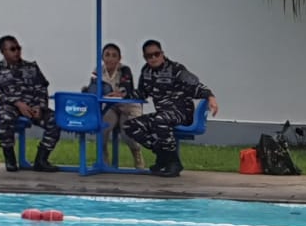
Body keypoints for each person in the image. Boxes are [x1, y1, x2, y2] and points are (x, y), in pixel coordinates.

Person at [125, 40, 219, 177]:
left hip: (182, 112)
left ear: (162, 53)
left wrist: (210, 97)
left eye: (156, 54)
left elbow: (196, 86)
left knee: (160, 120)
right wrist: (123, 94)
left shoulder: (176, 69)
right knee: (130, 125)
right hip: (163, 114)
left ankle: (173, 162)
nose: (153, 58)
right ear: (144, 57)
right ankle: (163, 155)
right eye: (149, 56)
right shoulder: (146, 71)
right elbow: (142, 92)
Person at [0, 35, 59, 173]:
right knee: (5, 117)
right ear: (3, 51)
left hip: (32, 107)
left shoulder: (31, 68)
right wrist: (17, 103)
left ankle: (41, 160)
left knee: (55, 120)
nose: (17, 52)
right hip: (11, 106)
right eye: (12, 49)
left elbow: (42, 88)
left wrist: (40, 106)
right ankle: (10, 158)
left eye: (18, 48)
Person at [84, 43, 143, 171]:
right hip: (111, 107)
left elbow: (126, 87)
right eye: (107, 55)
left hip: (128, 107)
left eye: (114, 55)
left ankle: (136, 152)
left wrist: (120, 93)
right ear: (102, 57)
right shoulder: (97, 70)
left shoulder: (125, 70)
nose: (110, 58)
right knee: (103, 128)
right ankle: (104, 157)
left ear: (119, 58)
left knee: (127, 132)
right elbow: (93, 88)